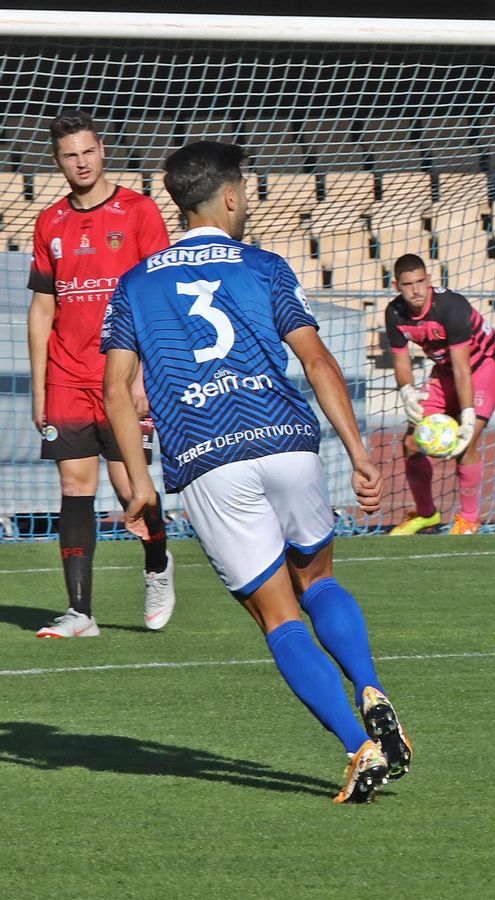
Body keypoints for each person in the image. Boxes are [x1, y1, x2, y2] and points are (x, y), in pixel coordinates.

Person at [101, 140, 412, 804]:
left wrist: (140, 484)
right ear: (232, 197)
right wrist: (358, 453)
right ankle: (368, 684)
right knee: (319, 579)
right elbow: (319, 363)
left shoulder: (135, 283)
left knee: (276, 616)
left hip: (209, 457)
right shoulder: (265, 266)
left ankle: (359, 749)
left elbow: (116, 389)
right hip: (287, 441)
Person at [26, 109, 175, 637]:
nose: (80, 161)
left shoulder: (139, 212)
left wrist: (143, 378)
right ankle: (80, 612)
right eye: (69, 154)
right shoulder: (50, 222)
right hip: (66, 372)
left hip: (121, 370)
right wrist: (40, 385)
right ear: (57, 160)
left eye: (87, 151)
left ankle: (157, 565)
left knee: (129, 483)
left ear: (102, 149)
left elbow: (158, 298)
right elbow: (43, 308)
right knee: (74, 484)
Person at [383, 255, 495, 536]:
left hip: (486, 366)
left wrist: (466, 414)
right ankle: (427, 515)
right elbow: (402, 362)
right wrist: (407, 391)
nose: (416, 290)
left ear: (429, 280)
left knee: (465, 444)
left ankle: (468, 519)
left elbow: (464, 369)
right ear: (396, 286)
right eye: (408, 284)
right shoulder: (394, 314)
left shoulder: (451, 307)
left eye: (420, 282)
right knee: (410, 443)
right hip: (446, 370)